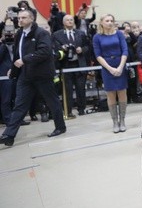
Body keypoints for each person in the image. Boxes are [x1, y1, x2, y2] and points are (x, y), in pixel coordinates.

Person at [0, 10, 67, 147]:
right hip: (25, 76)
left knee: (52, 102)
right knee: (19, 105)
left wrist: (25, 60)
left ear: (31, 18)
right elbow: (17, 55)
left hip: (42, 75)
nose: (20, 20)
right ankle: (9, 135)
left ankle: (60, 127)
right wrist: (13, 71)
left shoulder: (41, 33)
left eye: (24, 17)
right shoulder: (19, 33)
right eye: (19, 18)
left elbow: (45, 51)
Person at [93, 14, 128, 133]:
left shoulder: (119, 34)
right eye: (107, 20)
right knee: (111, 94)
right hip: (107, 67)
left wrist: (120, 67)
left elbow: (125, 50)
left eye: (111, 20)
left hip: (120, 64)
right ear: (101, 22)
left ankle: (122, 120)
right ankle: (114, 121)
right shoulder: (97, 37)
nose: (109, 22)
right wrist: (110, 68)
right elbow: (98, 55)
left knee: (122, 93)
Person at [52, 15, 90, 117]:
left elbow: (87, 47)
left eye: (71, 20)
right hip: (66, 65)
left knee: (81, 88)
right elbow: (55, 48)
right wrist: (62, 48)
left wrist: (82, 49)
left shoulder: (81, 33)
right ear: (63, 23)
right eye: (67, 20)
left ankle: (81, 108)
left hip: (79, 64)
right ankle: (68, 110)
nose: (70, 21)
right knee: (67, 89)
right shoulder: (57, 35)